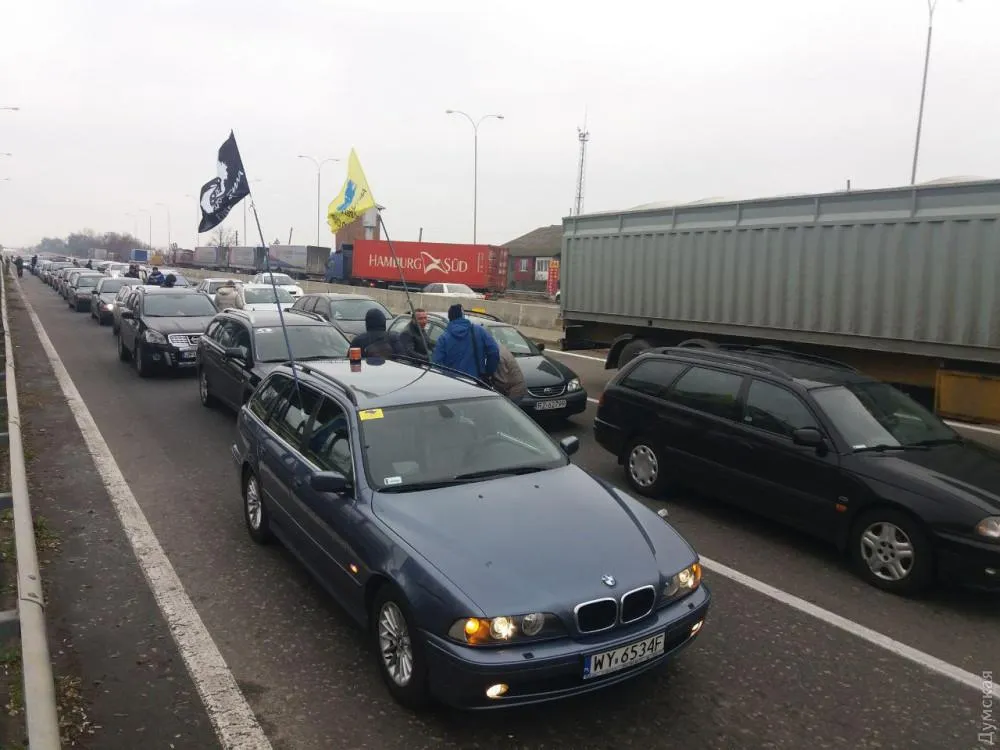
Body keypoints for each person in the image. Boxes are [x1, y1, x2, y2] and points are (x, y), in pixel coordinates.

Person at [432, 304, 499, 381]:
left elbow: (436, 364)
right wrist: (488, 372)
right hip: (476, 381)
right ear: (463, 315)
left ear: (450, 318)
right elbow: (494, 352)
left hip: (452, 383)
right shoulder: (479, 331)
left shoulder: (444, 338)